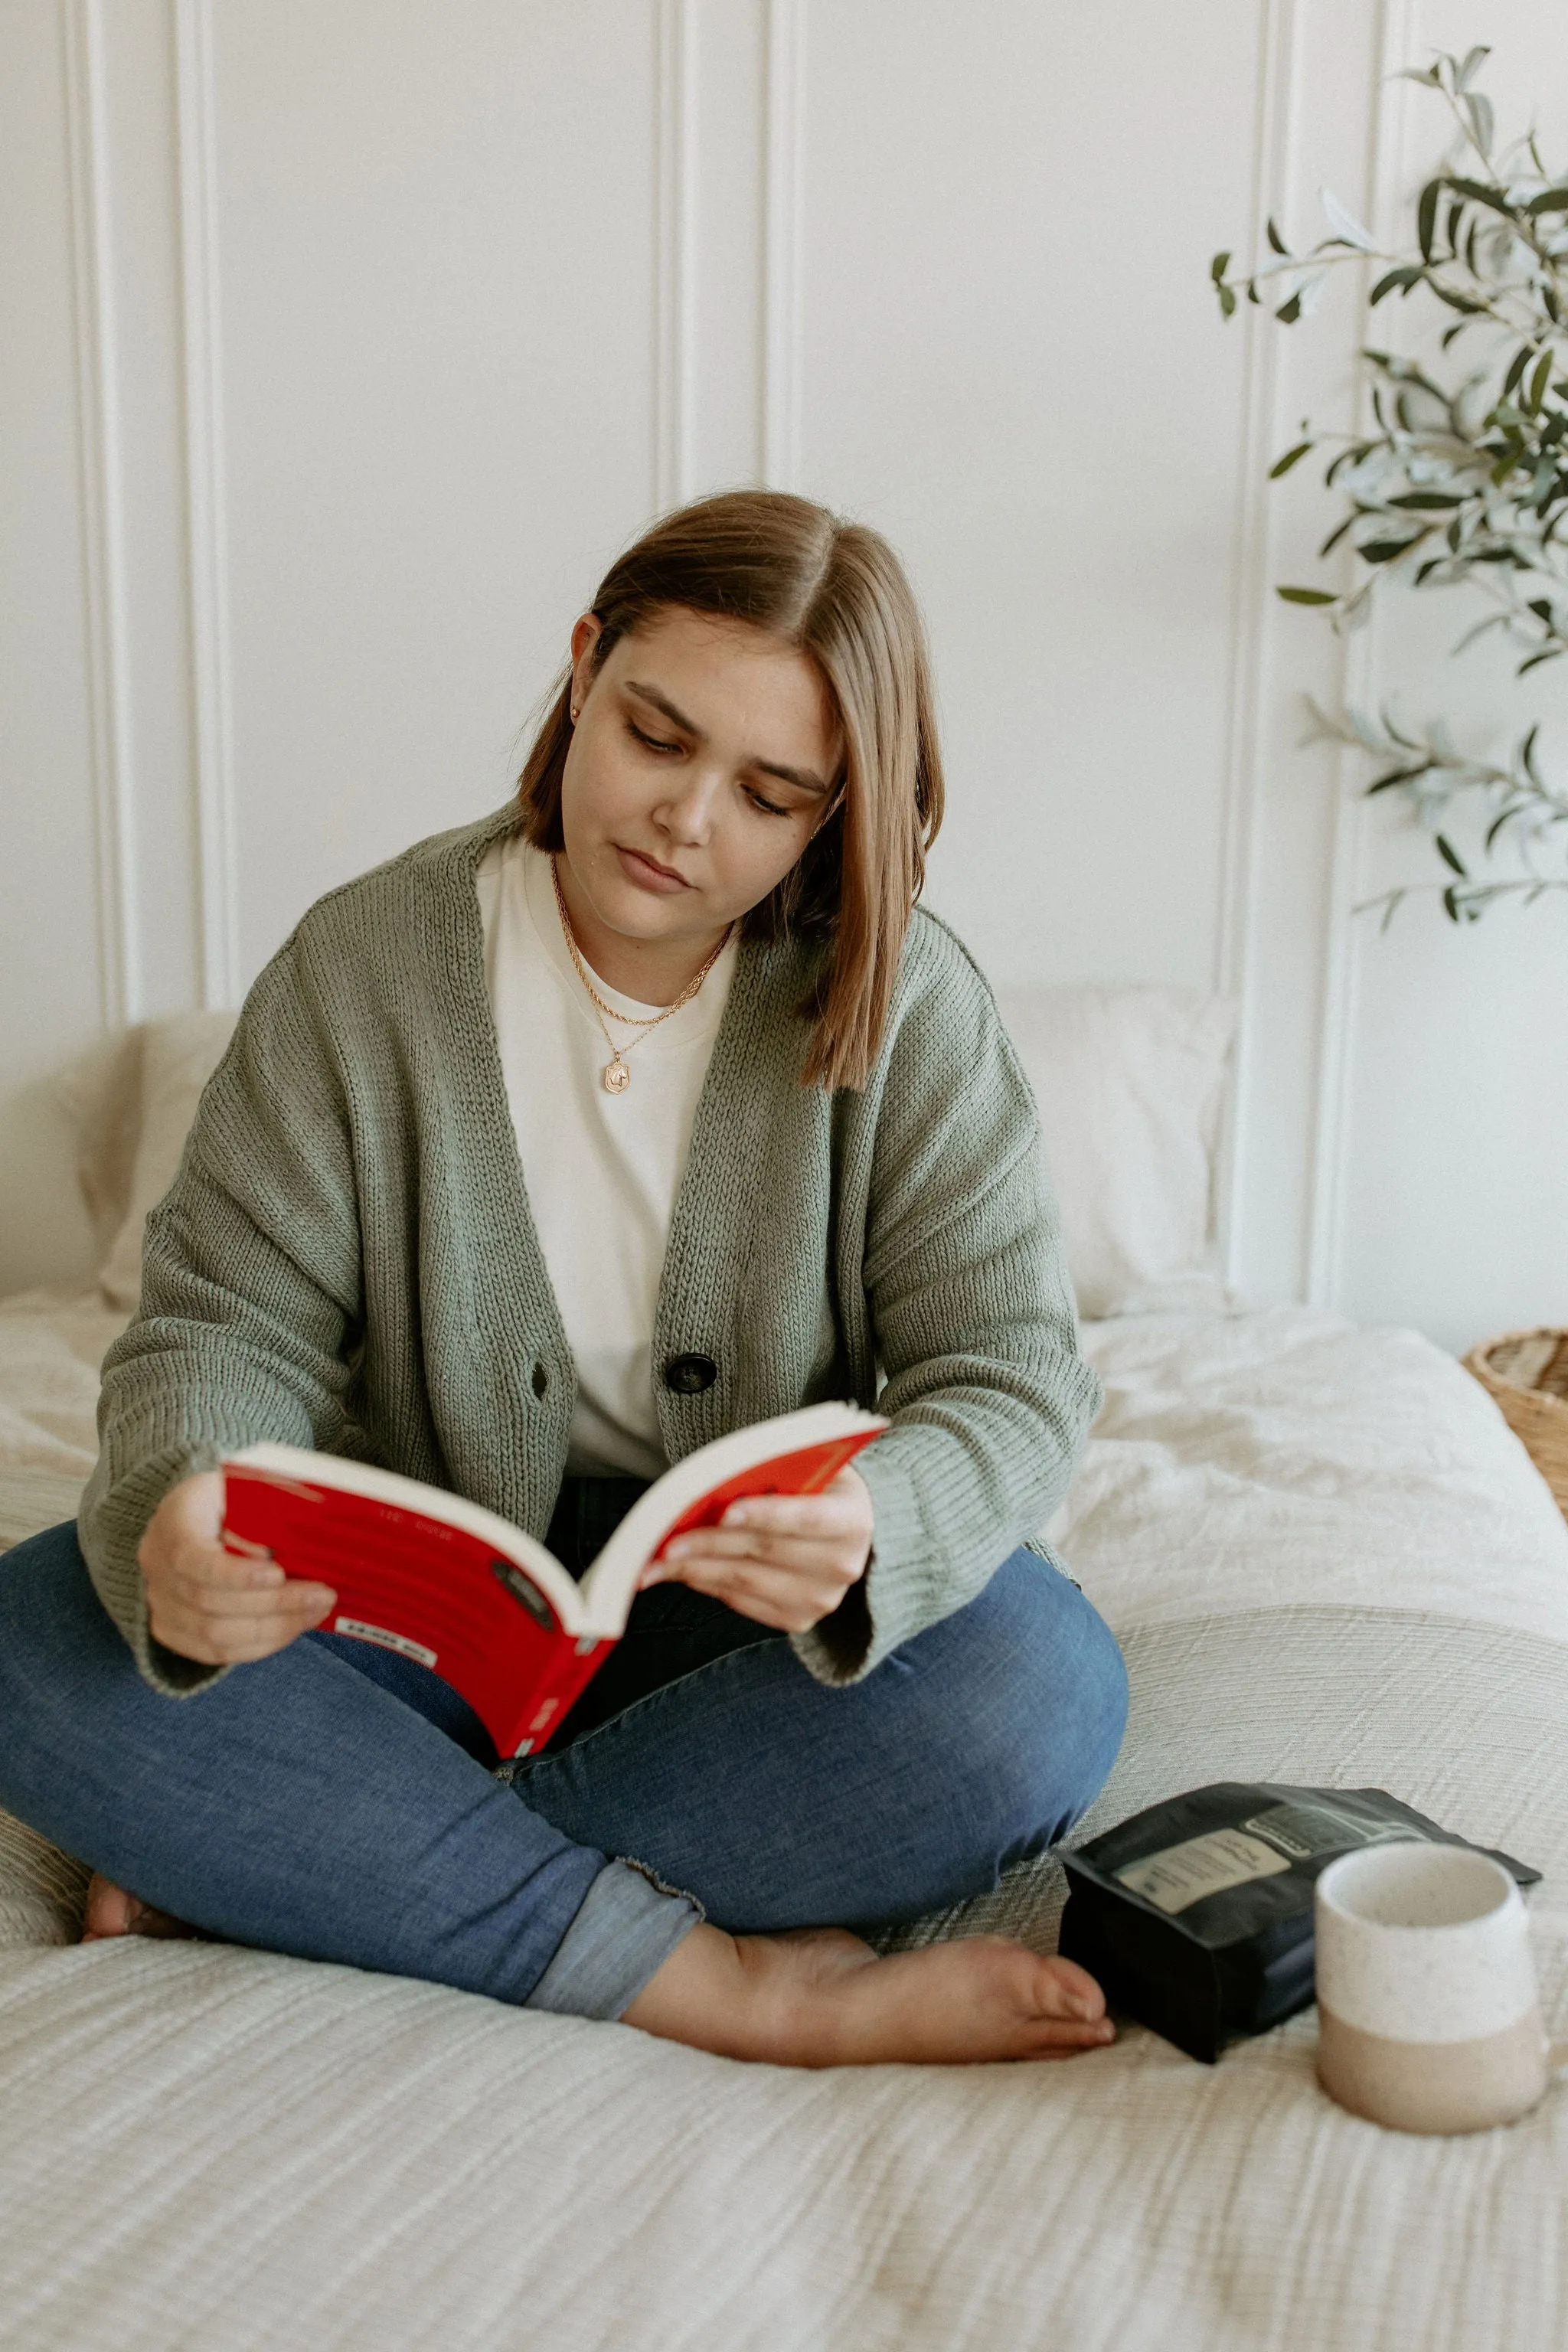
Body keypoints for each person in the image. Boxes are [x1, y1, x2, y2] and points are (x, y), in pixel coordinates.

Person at [0, 490, 1128, 2066]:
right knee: (39, 1636)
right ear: (585, 667)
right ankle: (731, 1985)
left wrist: (882, 1525)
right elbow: (221, 1324)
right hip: (412, 1637)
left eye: (769, 792)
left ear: (834, 815)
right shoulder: (367, 967)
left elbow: (1008, 1373)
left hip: (741, 1643)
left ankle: (321, 1860)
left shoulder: (906, 1005)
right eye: (656, 736)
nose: (686, 820)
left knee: (1033, 1691)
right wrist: (188, 1509)